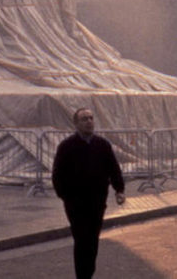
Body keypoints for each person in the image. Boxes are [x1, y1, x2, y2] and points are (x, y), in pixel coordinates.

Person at [52, 108, 126, 279]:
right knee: (81, 240)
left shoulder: (103, 145)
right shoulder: (66, 146)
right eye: (84, 119)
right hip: (75, 204)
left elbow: (113, 168)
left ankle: (88, 273)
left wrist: (119, 189)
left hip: (97, 201)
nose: (89, 122)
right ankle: (82, 276)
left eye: (91, 118)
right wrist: (65, 196)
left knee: (92, 240)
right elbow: (57, 174)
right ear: (76, 124)